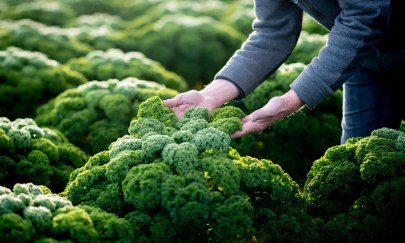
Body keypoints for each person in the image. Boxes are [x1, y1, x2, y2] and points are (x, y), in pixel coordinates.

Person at [164, 0, 405, 144]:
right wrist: (210, 96)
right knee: (357, 170)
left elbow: (365, 16)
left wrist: (292, 100)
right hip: (365, 63)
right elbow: (273, 31)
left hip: (372, 44)